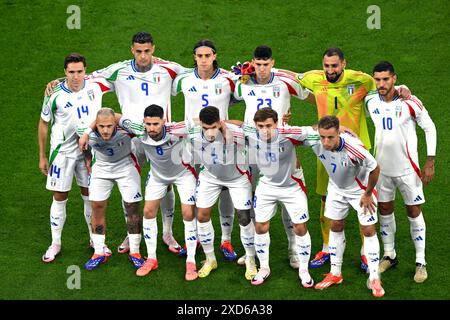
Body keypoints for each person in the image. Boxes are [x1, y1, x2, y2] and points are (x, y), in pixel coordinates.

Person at [46, 32, 189, 254]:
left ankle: (167, 233)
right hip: (128, 137)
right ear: (132, 49)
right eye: (139, 51)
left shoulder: (169, 68)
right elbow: (85, 77)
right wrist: (58, 81)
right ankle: (130, 234)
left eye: (147, 51)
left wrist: (244, 76)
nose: (143, 56)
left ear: (153, 49)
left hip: (160, 136)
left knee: (166, 183)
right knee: (130, 189)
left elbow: (198, 76)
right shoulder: (118, 70)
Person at [292, 48, 410, 272]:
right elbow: (290, 76)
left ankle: (366, 252)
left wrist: (403, 88)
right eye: (326, 66)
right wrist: (251, 72)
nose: (330, 70)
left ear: (343, 64)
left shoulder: (361, 79)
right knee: (326, 198)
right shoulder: (314, 78)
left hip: (356, 149)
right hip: (327, 147)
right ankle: (327, 248)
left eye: (334, 66)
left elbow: (385, 87)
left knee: (364, 201)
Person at [232, 45, 313, 269]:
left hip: (281, 148)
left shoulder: (286, 80)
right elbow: (227, 97)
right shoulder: (244, 82)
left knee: (289, 200)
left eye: (266, 64)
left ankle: (293, 249)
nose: (262, 69)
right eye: (258, 64)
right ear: (253, 63)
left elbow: (313, 96)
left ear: (273, 63)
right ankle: (252, 253)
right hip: (252, 149)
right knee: (250, 198)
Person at [366, 61, 436, 283]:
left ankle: (420, 261)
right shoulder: (370, 100)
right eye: (377, 79)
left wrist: (430, 161)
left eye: (386, 79)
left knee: (413, 211)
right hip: (382, 170)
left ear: (394, 78)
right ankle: (389, 255)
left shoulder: (410, 102)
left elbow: (430, 127)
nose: (381, 84)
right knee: (385, 209)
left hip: (408, 170)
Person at [299, 115, 384, 297]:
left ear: (338, 134)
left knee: (368, 229)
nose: (326, 142)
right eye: (322, 136)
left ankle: (375, 277)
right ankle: (335, 273)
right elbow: (296, 132)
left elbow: (375, 168)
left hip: (360, 190)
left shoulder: (354, 148)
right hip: (336, 189)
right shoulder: (316, 140)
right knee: (335, 226)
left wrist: (368, 193)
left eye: (330, 137)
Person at [39, 53, 112, 263]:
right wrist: (42, 155)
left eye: (80, 71)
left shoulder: (96, 86)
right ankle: (56, 243)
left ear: (85, 71)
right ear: (65, 72)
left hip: (89, 151)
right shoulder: (54, 95)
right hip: (62, 153)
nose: (76, 76)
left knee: (90, 195)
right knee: (59, 196)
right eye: (71, 72)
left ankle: (95, 241)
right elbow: (43, 123)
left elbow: (119, 76)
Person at [172, 39, 239, 260]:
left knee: (226, 189)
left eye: (207, 56)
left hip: (222, 144)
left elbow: (244, 95)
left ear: (214, 56)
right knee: (191, 187)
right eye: (199, 56)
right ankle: (197, 237)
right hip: (192, 144)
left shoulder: (229, 79)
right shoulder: (182, 79)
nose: (203, 60)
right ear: (194, 57)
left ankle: (226, 240)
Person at [118, 104, 199, 280]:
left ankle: (191, 262)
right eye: (148, 124)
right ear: (144, 122)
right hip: (157, 176)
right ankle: (152, 258)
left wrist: (221, 126)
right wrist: (87, 131)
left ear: (164, 121)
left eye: (156, 124)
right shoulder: (139, 129)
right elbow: (115, 117)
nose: (152, 128)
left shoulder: (177, 129)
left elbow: (203, 121)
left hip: (183, 174)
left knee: (188, 212)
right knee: (148, 212)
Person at [243, 108, 313, 288]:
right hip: (267, 186)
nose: (265, 130)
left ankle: (304, 270)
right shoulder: (250, 133)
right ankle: (264, 268)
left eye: (269, 125)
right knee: (260, 226)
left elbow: (315, 129)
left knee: (300, 227)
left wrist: (342, 128)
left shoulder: (289, 133)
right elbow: (232, 124)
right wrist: (220, 124)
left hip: (292, 186)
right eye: (260, 126)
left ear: (277, 124)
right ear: (255, 125)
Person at [188, 106, 256, 280]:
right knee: (202, 215)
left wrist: (227, 127)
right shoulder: (193, 132)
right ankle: (210, 259)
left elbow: (250, 127)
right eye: (205, 128)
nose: (210, 133)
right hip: (209, 176)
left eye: (214, 127)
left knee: (244, 217)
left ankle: (250, 259)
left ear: (220, 122)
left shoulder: (238, 133)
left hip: (238, 178)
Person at [80, 108, 144, 270]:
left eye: (109, 125)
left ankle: (135, 252)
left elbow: (145, 132)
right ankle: (99, 252)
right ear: (96, 125)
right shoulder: (85, 131)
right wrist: (88, 159)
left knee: (132, 207)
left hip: (126, 166)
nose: (105, 130)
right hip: (101, 168)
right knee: (97, 207)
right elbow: (82, 143)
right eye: (101, 126)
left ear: (115, 123)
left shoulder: (126, 129)